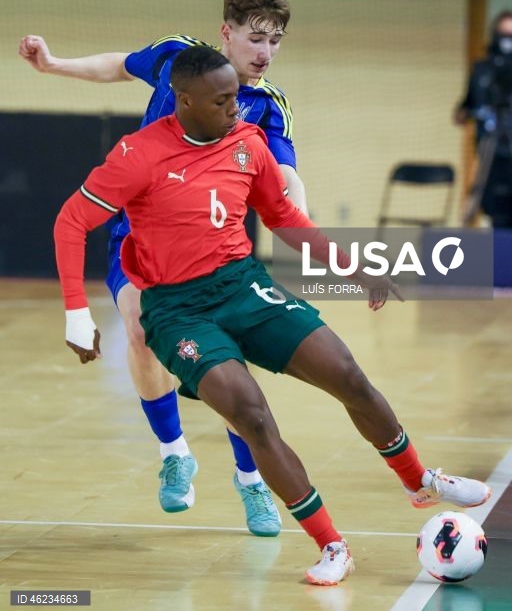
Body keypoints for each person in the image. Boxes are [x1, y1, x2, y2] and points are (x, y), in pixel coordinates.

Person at [54, 46, 491, 586]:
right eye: (222, 100)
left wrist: (354, 268)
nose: (236, 107)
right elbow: (71, 223)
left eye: (236, 96)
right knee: (253, 415)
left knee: (347, 374)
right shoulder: (138, 154)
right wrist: (77, 311)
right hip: (177, 311)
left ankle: (417, 480)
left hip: (243, 284)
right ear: (183, 101)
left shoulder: (247, 141)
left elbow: (284, 216)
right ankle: (332, 544)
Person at [19, 0, 305, 536]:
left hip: (215, 251)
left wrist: (304, 223)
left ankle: (251, 482)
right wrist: (54, 66)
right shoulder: (177, 58)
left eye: (276, 41)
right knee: (139, 330)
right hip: (139, 234)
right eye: (255, 38)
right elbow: (119, 65)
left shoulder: (267, 106)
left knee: (223, 369)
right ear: (227, 32)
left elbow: (287, 173)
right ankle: (175, 452)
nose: (265, 52)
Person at [454, 10, 512, 227]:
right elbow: (467, 105)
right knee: (495, 210)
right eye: (504, 34)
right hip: (491, 149)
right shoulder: (482, 70)